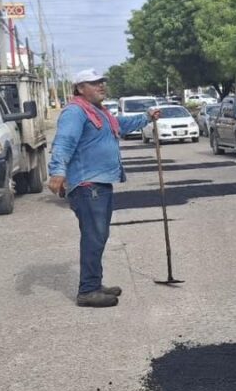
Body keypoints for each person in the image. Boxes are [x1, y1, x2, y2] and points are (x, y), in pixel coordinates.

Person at [48, 69, 160, 308]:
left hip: (100, 183)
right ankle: (88, 290)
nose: (101, 86)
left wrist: (147, 117)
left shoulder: (100, 112)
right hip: (88, 185)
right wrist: (57, 171)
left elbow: (121, 125)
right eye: (94, 83)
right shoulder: (75, 112)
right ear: (80, 88)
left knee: (98, 236)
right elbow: (63, 142)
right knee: (93, 237)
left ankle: (95, 284)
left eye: (102, 82)